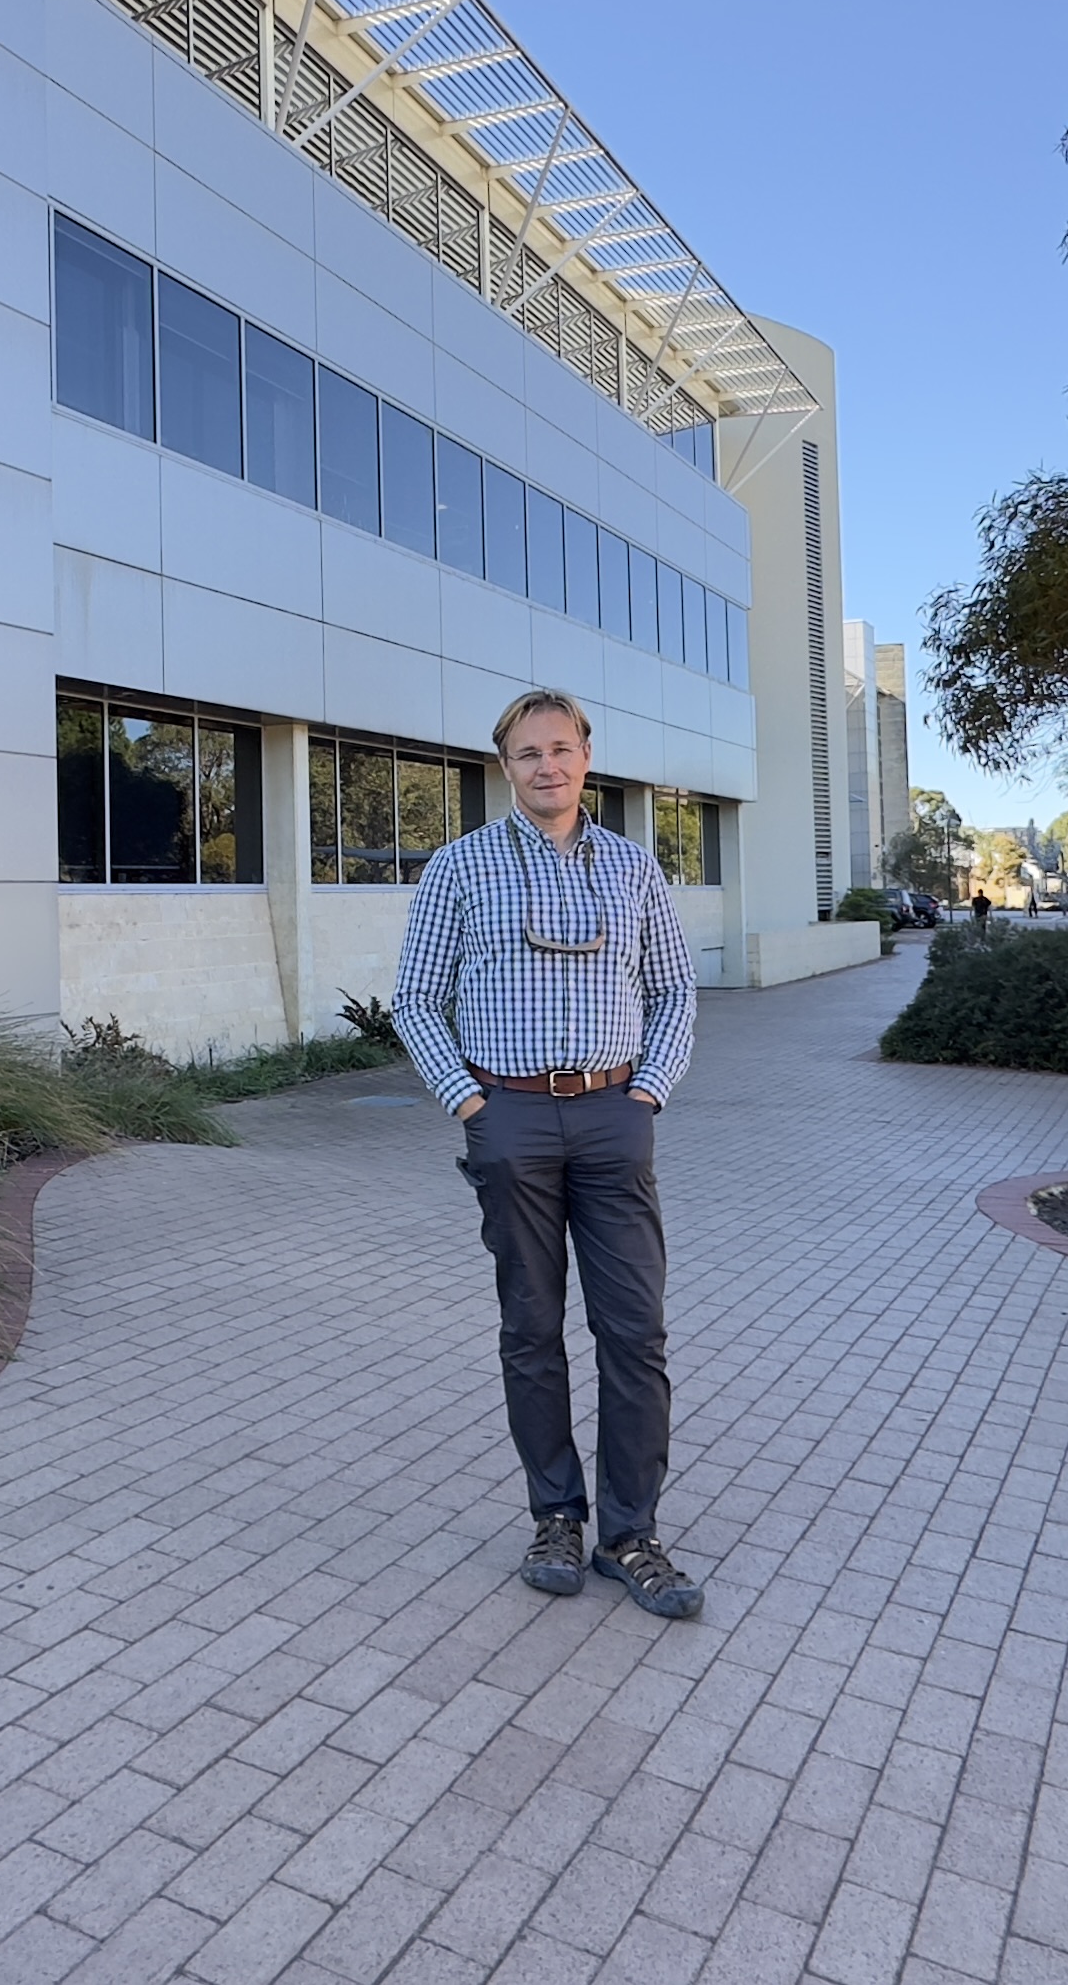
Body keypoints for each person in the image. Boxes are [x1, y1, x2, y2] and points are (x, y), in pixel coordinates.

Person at [391, 689, 705, 1619]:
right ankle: (554, 1518)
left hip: (614, 1114)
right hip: (512, 1120)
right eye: (527, 754)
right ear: (506, 768)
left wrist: (648, 1091)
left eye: (560, 749)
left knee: (634, 1333)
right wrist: (470, 1104)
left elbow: (678, 991)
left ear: (586, 756)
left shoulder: (633, 868)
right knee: (531, 1332)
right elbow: (414, 998)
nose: (547, 767)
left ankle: (631, 1532)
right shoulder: (460, 867)